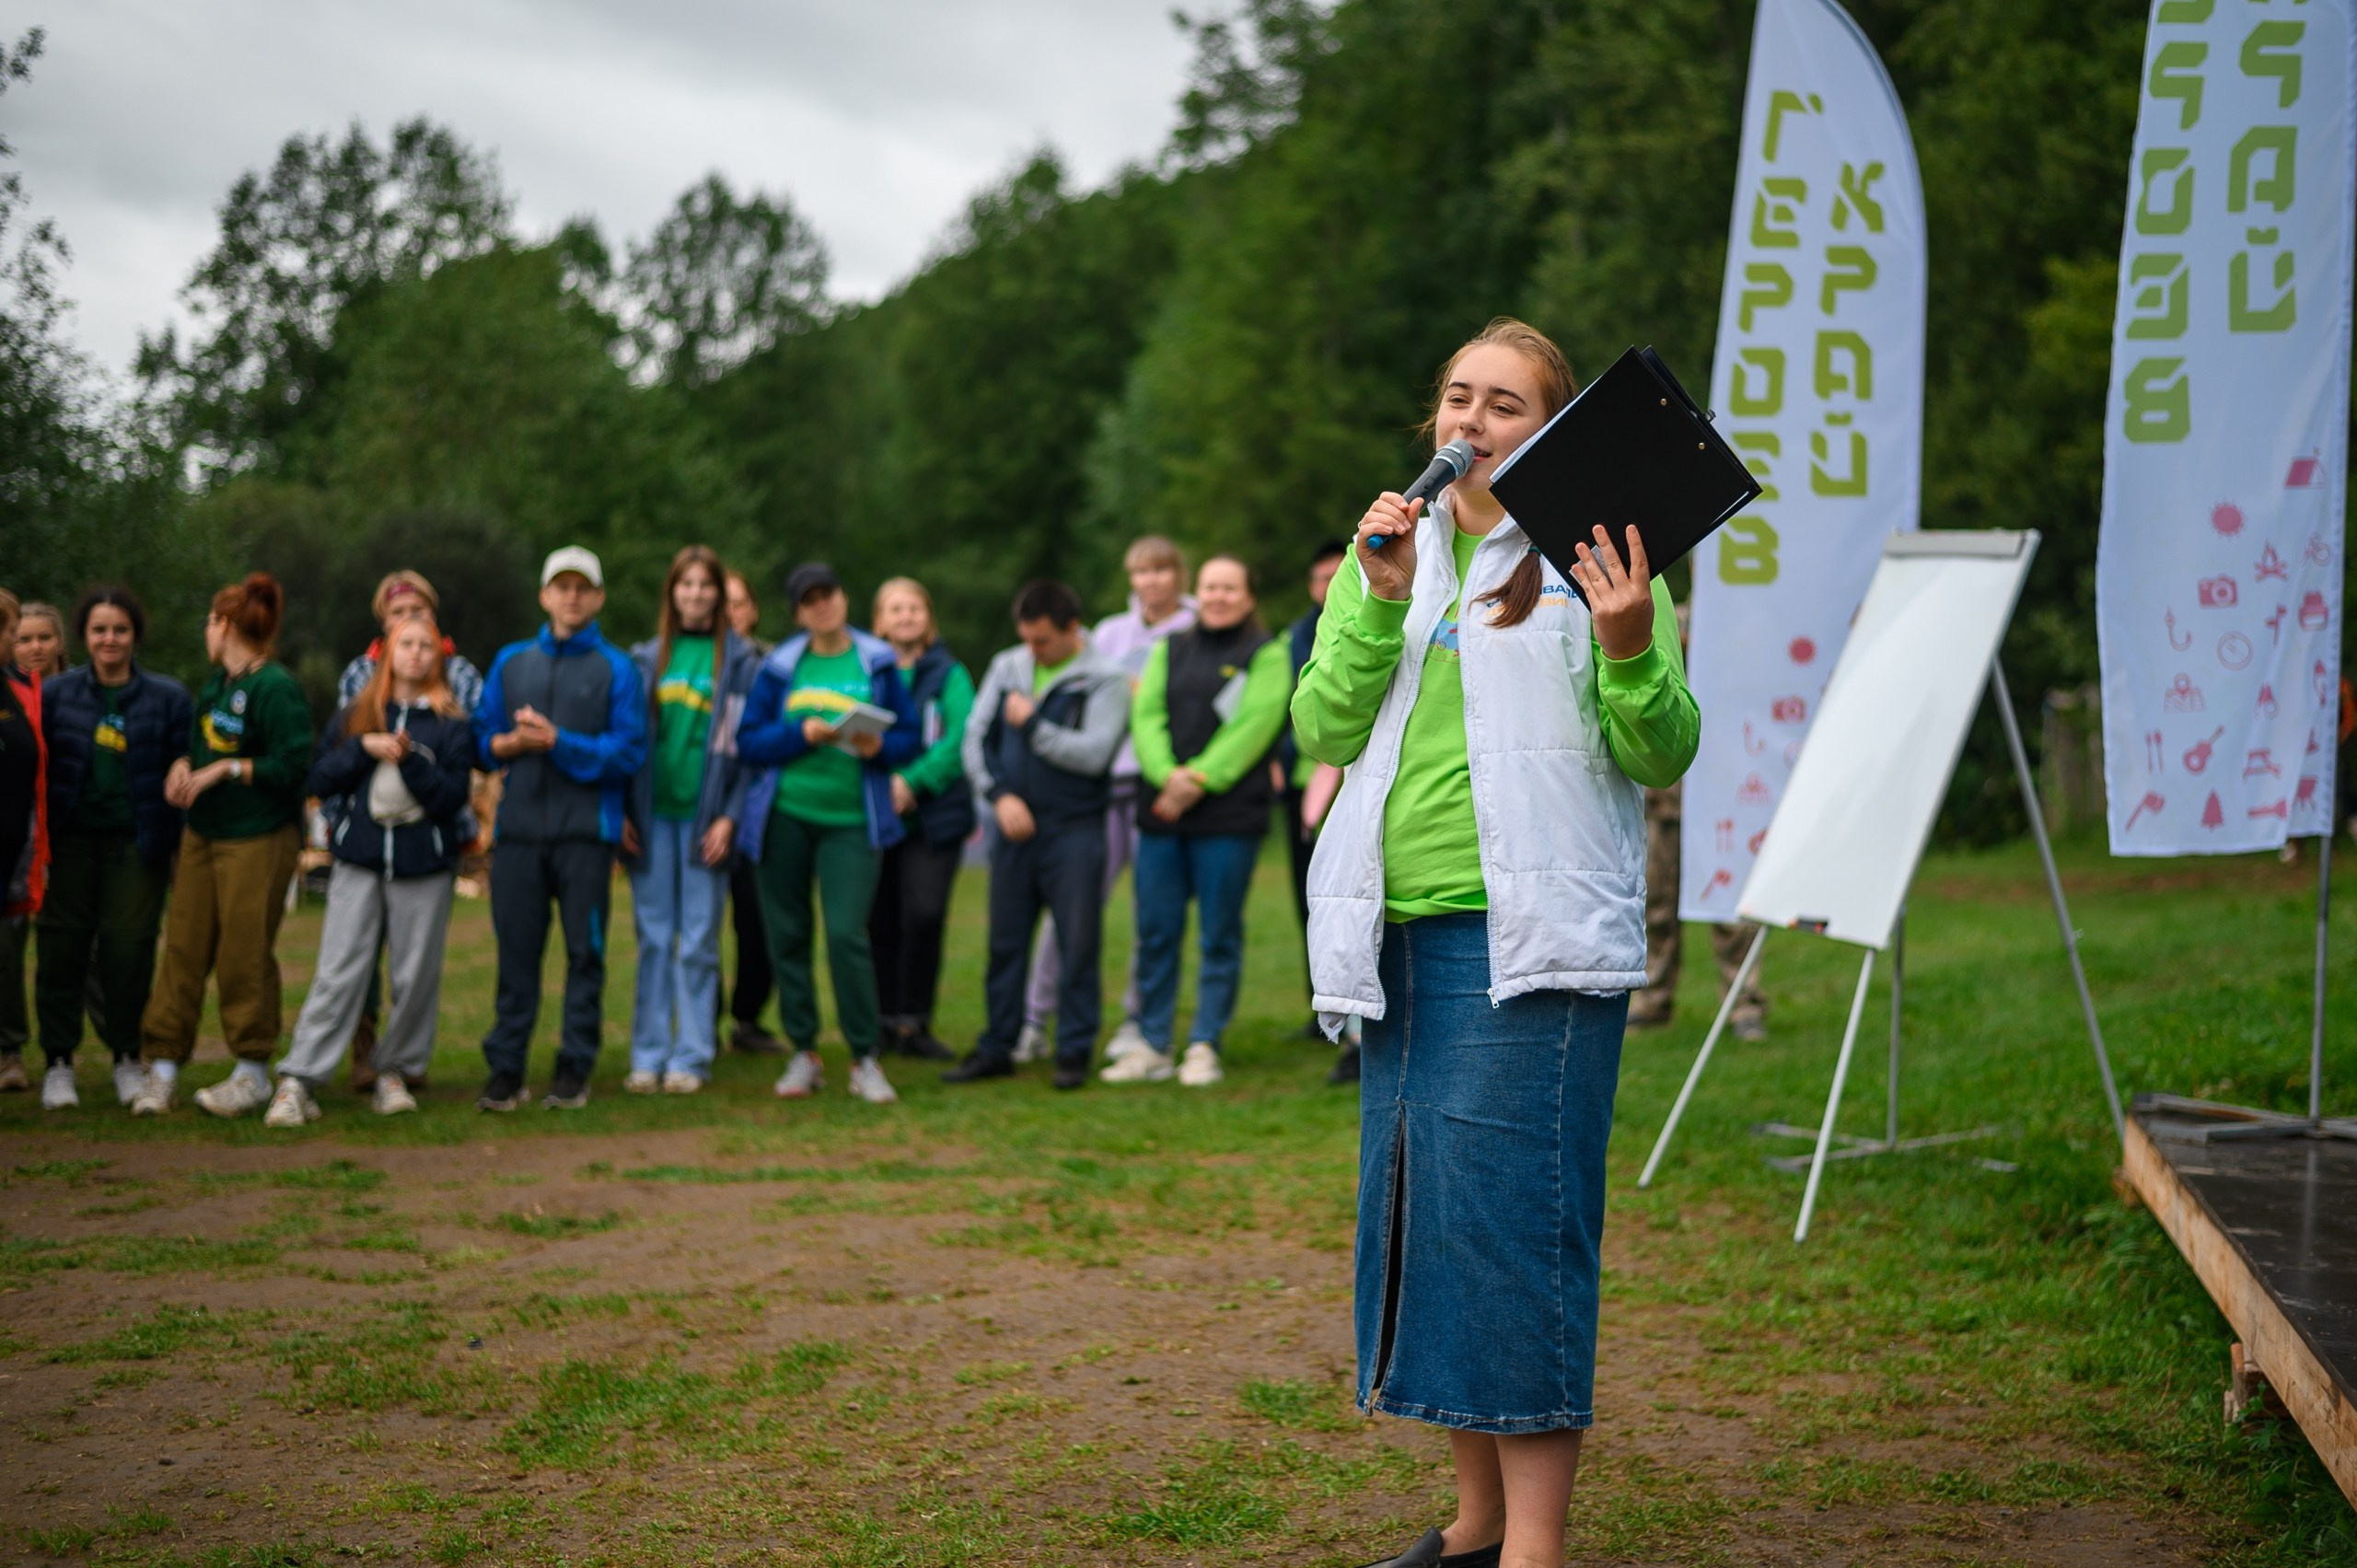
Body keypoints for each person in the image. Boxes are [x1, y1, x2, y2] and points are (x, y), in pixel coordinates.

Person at [1293, 319, 1697, 1568]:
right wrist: (1370, 597)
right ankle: (1472, 1524)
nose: (1471, 419)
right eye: (1457, 398)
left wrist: (1629, 645)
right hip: (1396, 936)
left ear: (1554, 432)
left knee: (1516, 1231)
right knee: (1436, 1228)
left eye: (1506, 403)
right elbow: (1322, 722)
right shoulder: (1390, 561)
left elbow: (1661, 748)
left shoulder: (1598, 563)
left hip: (1532, 945)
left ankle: (1534, 1544)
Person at [253, 615, 474, 1124]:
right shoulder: (358, 712)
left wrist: (411, 760)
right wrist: (363, 748)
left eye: (426, 646)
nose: (416, 654)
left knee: (415, 976)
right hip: (360, 862)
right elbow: (320, 776)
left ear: (439, 657)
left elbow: (451, 799)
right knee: (338, 970)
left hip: (425, 866)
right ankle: (298, 1080)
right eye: (406, 644)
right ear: (387, 652)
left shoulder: (452, 722)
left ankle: (393, 1072)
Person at [734, 563, 920, 1106]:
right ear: (798, 612)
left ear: (843, 598)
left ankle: (865, 1057)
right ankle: (805, 1053)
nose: (822, 606)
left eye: (829, 595)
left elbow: (908, 737)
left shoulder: (877, 662)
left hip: (853, 820)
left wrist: (878, 747)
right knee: (787, 935)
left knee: (845, 934)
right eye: (809, 600)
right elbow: (751, 742)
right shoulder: (779, 666)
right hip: (785, 816)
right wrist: (801, 733)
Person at [1105, 555, 1294, 1087]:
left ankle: (1205, 1043)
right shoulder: (1170, 648)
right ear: (1198, 592)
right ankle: (1153, 1043)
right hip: (1164, 813)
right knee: (1156, 931)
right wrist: (1169, 776)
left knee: (1219, 935)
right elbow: (1146, 718)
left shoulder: (1267, 653)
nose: (1218, 596)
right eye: (1210, 587)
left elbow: (1256, 725)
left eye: (1230, 587)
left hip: (1228, 819)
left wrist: (1199, 780)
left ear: (1249, 596)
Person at [473, 546, 648, 1112]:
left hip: (585, 836)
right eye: (561, 586)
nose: (572, 596)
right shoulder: (511, 662)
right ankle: (506, 1068)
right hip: (519, 832)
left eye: (583, 587)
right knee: (517, 955)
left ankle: (574, 1066)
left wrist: (558, 742)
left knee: (585, 955)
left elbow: (628, 752)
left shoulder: (619, 669)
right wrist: (506, 744)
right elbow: (482, 737)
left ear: (597, 597)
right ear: (545, 595)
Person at [135, 574, 313, 1118]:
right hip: (203, 837)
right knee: (183, 949)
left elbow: (295, 766)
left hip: (257, 837)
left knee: (243, 954)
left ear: (227, 624)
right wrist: (184, 768)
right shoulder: (215, 686)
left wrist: (227, 770)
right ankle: (162, 1069)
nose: (205, 631)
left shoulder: (275, 687)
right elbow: (200, 748)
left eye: (211, 621)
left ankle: (253, 1072)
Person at [944, 579, 1130, 1091]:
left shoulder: (1105, 679)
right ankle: (997, 1046)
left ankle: (1072, 1051)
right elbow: (975, 738)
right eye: (1027, 639)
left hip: (1075, 830)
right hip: (1012, 828)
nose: (1033, 650)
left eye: (1043, 641)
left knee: (1077, 943)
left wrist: (1031, 727)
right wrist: (998, 796)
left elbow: (1094, 754)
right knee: (1004, 943)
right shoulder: (1009, 667)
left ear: (1073, 629)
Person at [1019, 535, 1195, 1063]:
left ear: (1178, 576)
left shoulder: (1194, 628)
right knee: (1070, 910)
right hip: (1100, 789)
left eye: (1161, 570)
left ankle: (1136, 1021)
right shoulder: (1108, 635)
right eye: (1141, 572)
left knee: (1151, 914)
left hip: (1158, 789)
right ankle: (1033, 1017)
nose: (1151, 582)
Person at [31, 588, 190, 1111]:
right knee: (62, 950)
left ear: (135, 635)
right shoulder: (57, 695)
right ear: (85, 636)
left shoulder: (167, 697)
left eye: (120, 629)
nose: (109, 639)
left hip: (136, 844)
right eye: (100, 629)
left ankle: (127, 1057)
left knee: (129, 951)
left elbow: (185, 758)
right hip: (70, 843)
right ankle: (58, 1063)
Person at [331, 570, 483, 1093]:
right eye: (398, 615)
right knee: (354, 956)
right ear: (383, 623)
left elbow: (468, 744)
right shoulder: (360, 674)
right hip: (366, 831)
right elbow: (342, 749)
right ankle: (364, 1053)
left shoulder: (458, 673)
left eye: (419, 614)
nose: (409, 625)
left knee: (416, 959)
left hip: (432, 830)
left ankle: (400, 1062)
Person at [621, 546, 760, 1094]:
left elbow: (746, 753)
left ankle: (692, 1055)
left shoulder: (743, 662)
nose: (697, 594)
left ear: (720, 595)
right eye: (687, 585)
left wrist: (729, 817)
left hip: (707, 823)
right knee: (655, 938)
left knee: (699, 940)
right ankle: (648, 1053)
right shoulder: (646, 658)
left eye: (707, 585)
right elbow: (631, 742)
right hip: (653, 819)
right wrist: (625, 814)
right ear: (672, 593)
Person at [1627, 608, 1766, 1038]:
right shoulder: (1670, 612)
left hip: (1724, 791)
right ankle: (1653, 997)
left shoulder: (1741, 621)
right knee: (1658, 901)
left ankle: (1744, 1003)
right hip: (1669, 795)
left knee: (1732, 904)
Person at [868, 577, 975, 1062]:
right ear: (880, 620)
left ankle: (917, 1020)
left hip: (934, 816)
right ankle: (882, 1020)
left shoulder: (949, 673)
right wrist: (885, 784)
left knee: (924, 914)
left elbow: (959, 738)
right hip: (875, 810)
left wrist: (913, 782)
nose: (906, 616)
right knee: (879, 918)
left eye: (915, 608)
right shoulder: (867, 671)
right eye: (896, 608)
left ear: (929, 617)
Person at [1276, 543, 1348, 1038]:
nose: (1327, 587)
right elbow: (1285, 705)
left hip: (1346, 778)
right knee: (1310, 897)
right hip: (1300, 784)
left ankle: (1355, 1019)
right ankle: (1320, 1004)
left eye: (1336, 576)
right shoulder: (1295, 637)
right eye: (1320, 578)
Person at [719, 569, 784, 1055]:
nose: (730, 613)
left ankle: (747, 1017)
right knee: (696, 926)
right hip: (701, 812)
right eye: (723, 604)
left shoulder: (776, 664)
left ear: (753, 610)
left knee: (758, 923)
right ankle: (702, 1018)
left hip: (758, 811)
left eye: (738, 603)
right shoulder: (686, 662)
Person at [0, 592, 50, 1097]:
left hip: (30, 847)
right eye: (17, 635)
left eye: (38, 637)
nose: (25, 646)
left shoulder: (42, 696)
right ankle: (9, 1048)